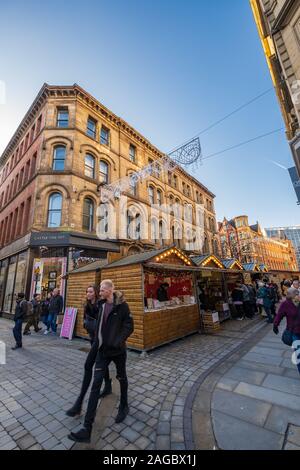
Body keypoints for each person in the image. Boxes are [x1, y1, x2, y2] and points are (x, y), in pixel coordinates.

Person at [68, 279, 134, 443]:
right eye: (100, 290)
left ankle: (124, 405)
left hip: (118, 351)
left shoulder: (122, 306)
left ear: (111, 290)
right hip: (102, 352)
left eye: (103, 290)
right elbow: (94, 318)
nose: (100, 292)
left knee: (122, 377)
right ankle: (87, 428)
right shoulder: (101, 305)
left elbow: (129, 325)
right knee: (95, 386)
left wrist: (118, 340)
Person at [273, 288, 300, 374]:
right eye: (295, 293)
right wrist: (275, 325)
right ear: (289, 295)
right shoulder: (286, 304)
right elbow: (279, 315)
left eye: (298, 293)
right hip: (295, 333)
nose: (297, 295)